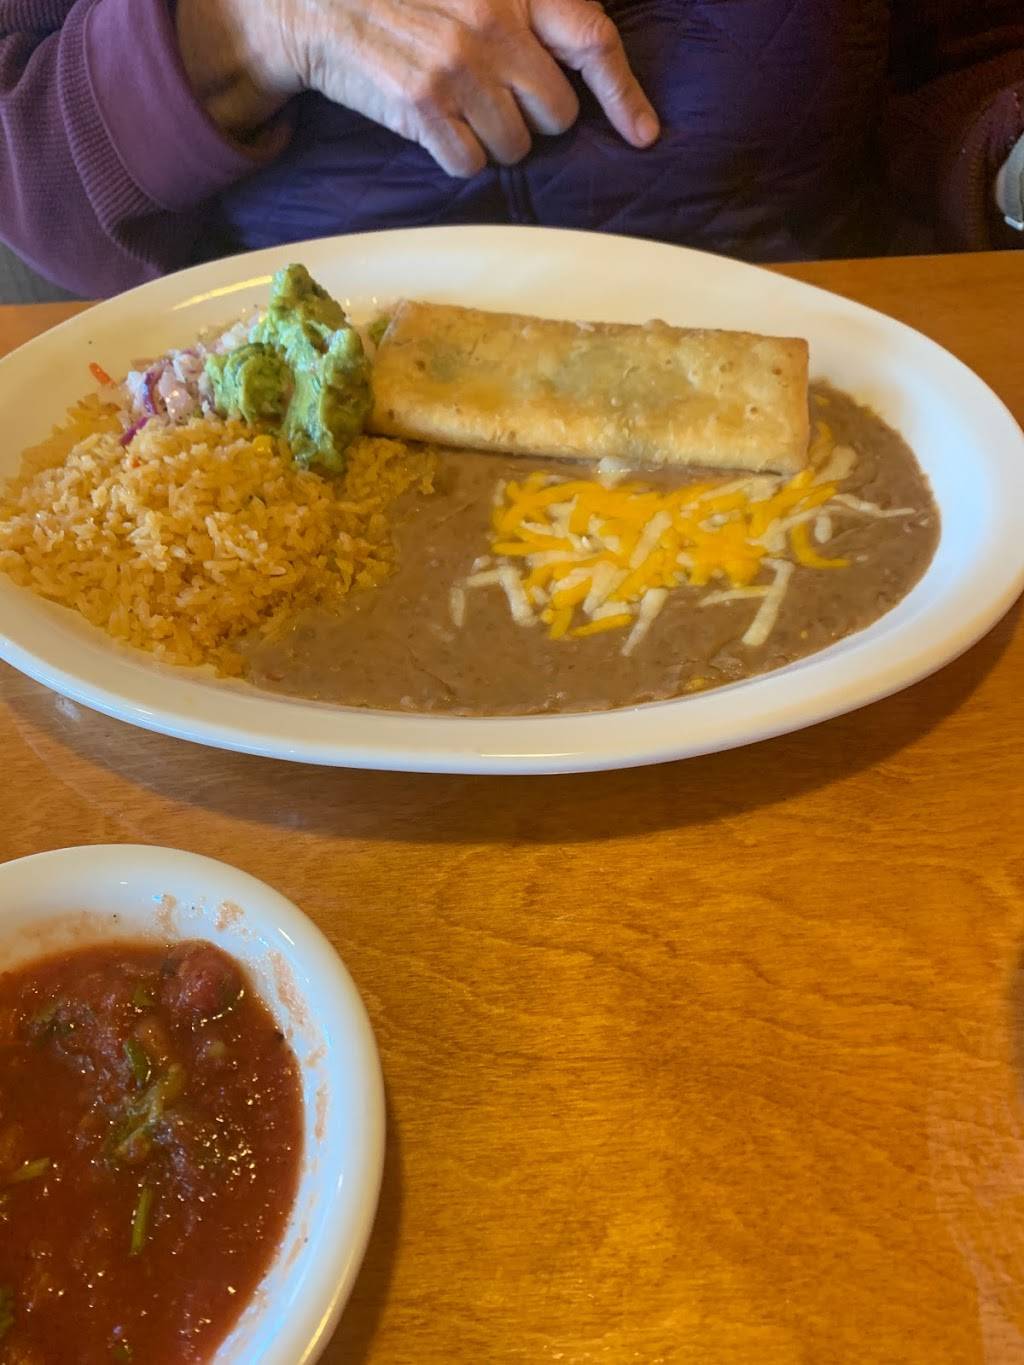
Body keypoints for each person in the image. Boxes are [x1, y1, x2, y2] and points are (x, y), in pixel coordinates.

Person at [0, 0, 1021, 298]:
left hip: (824, 375)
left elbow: (970, 62)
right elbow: (29, 163)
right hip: (293, 438)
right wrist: (254, 29)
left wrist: (1010, 156)